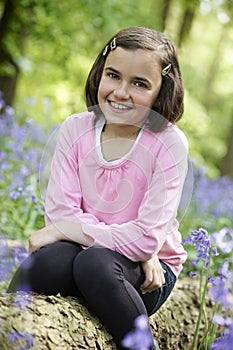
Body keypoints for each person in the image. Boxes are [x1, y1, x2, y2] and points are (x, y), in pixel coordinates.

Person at [8, 26, 189, 350]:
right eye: (113, 75)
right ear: (99, 73)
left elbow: (146, 239)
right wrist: (128, 242)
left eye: (140, 83)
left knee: (96, 265)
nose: (121, 92)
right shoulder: (75, 129)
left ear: (162, 91)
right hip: (88, 252)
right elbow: (61, 212)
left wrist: (142, 250)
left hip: (149, 276)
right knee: (46, 264)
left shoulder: (168, 143)